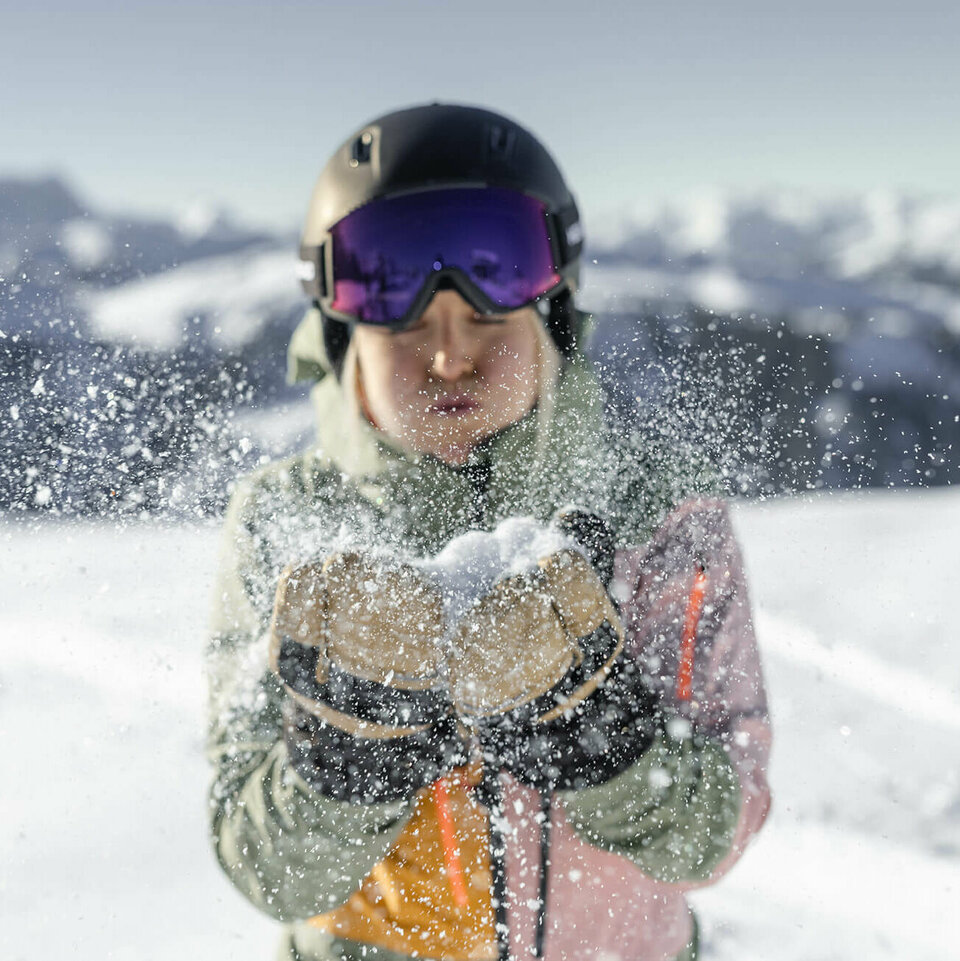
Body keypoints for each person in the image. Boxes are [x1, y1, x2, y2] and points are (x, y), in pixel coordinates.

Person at [207, 103, 771, 961]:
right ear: (339, 334)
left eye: (486, 317)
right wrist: (353, 749)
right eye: (401, 322)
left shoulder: (658, 514)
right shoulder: (293, 527)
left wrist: (603, 740)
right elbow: (270, 870)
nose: (447, 356)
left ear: (550, 318)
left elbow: (713, 835)